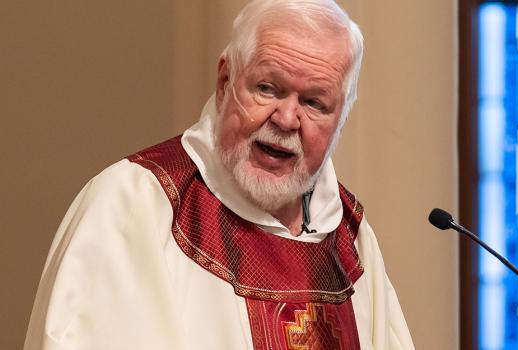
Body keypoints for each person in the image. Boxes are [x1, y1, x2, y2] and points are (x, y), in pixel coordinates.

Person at [25, 0, 414, 349]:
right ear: (226, 80)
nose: (286, 118)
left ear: (343, 116)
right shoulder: (136, 205)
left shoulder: (351, 241)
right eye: (268, 88)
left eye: (314, 103)